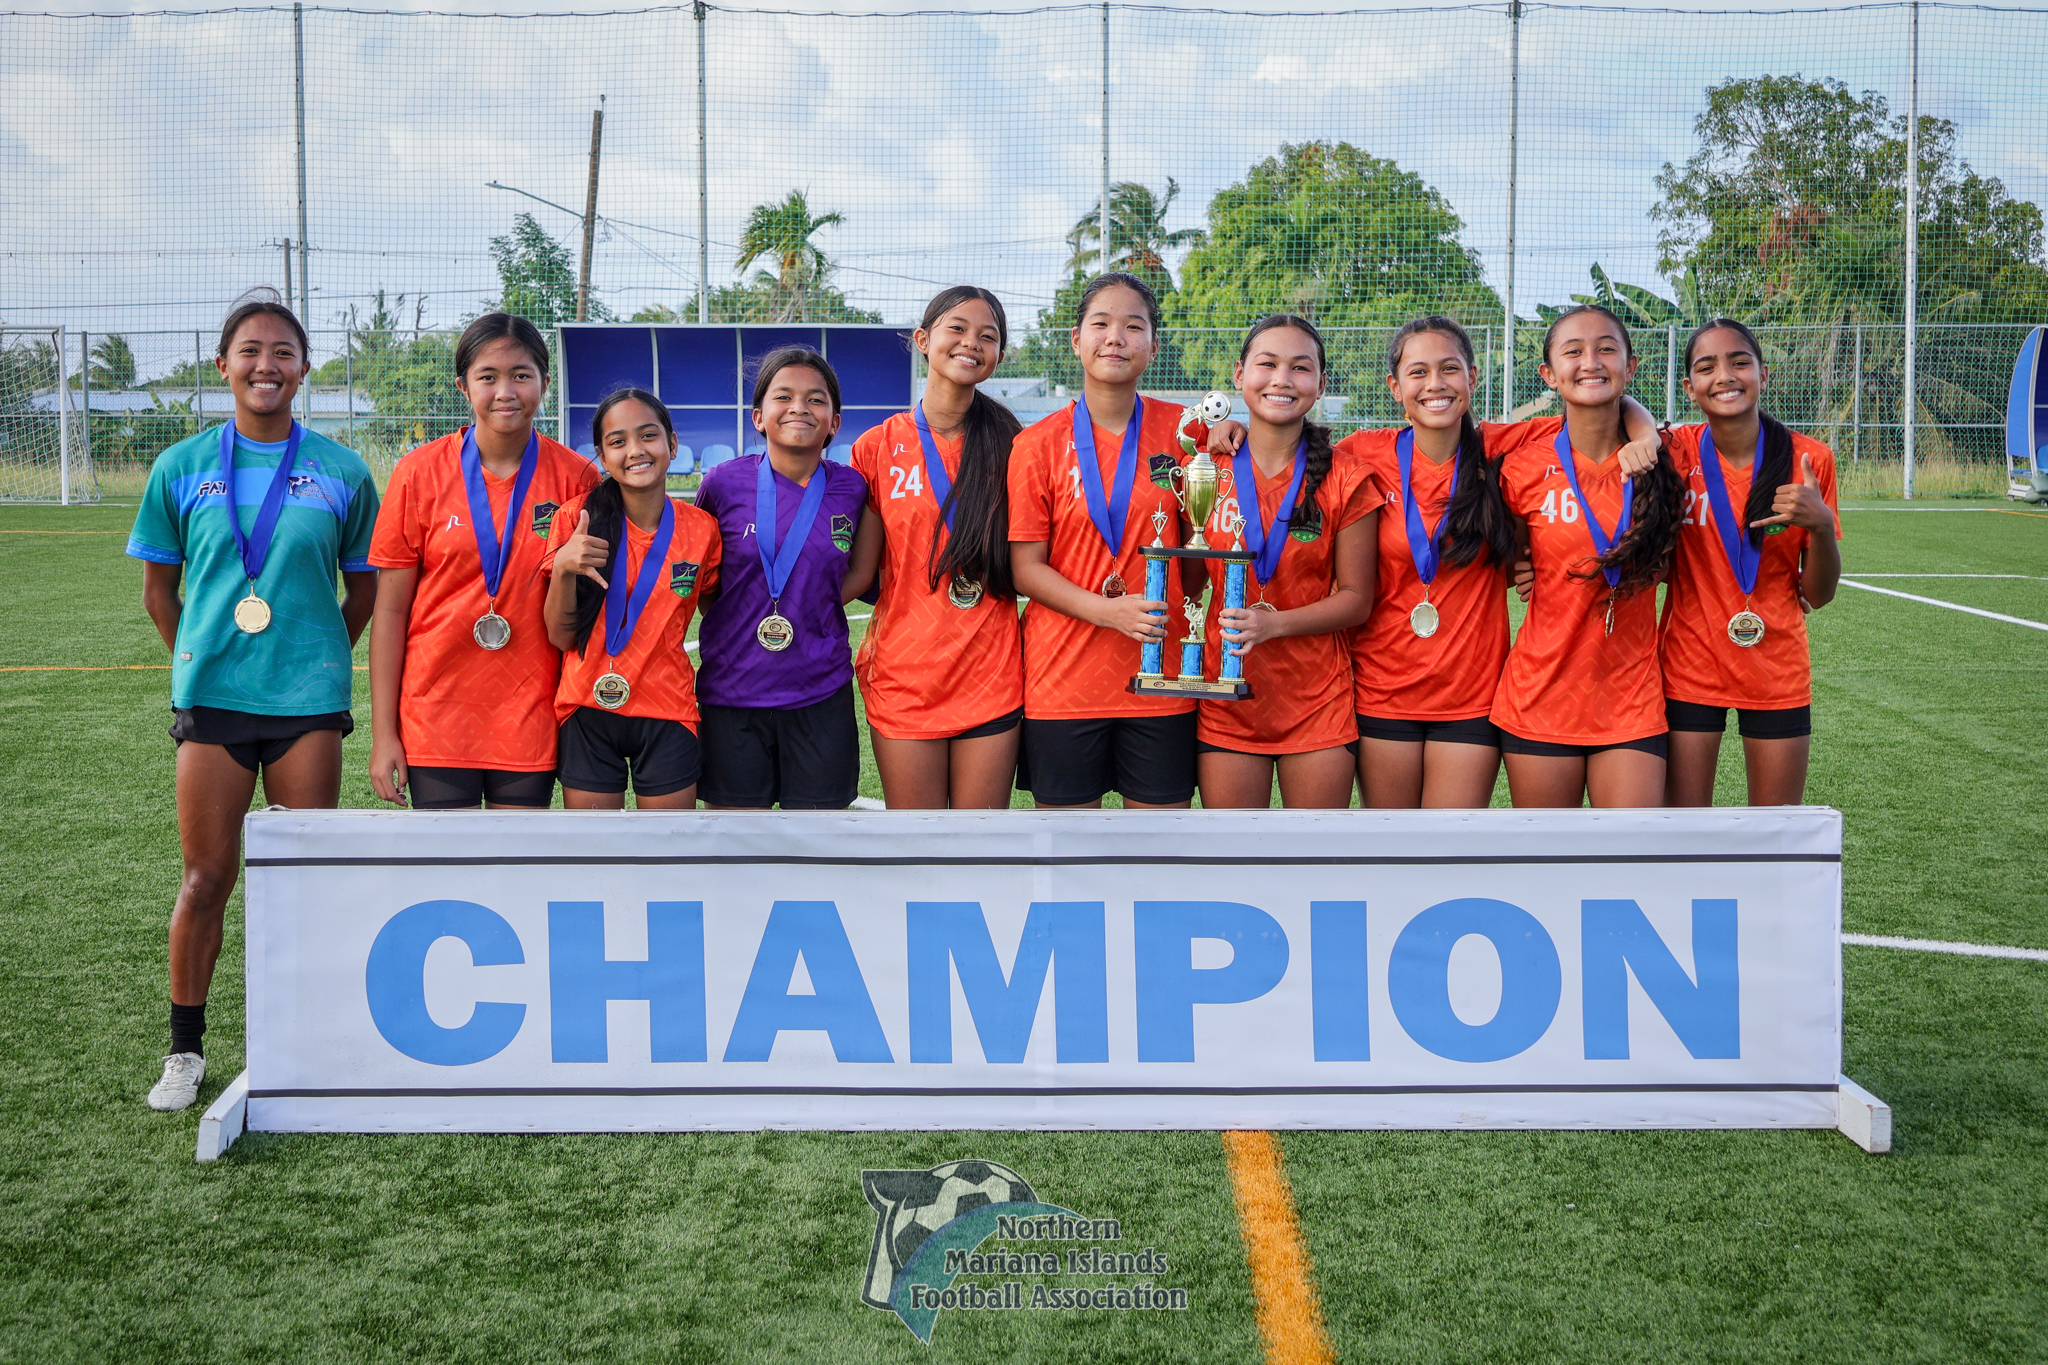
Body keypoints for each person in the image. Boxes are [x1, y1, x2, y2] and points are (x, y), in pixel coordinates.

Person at [126, 289, 378, 1110]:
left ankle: (317, 1041)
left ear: (304, 369)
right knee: (206, 876)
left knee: (309, 878)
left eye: (282, 352)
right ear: (223, 364)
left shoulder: (341, 470)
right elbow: (159, 591)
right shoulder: (183, 466)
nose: (266, 365)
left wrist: (315, 654)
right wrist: (203, 659)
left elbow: (364, 588)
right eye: (251, 351)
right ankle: (185, 1051)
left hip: (306, 703)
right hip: (215, 700)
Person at [366, 313, 598, 810]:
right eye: (487, 376)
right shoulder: (417, 474)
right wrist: (384, 733)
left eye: (521, 375)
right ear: (463, 386)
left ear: (545, 383)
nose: (505, 391)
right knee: (450, 874)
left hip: (530, 710)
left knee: (516, 875)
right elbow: (389, 612)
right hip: (436, 713)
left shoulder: (577, 479)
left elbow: (584, 611)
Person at [1007, 272, 1197, 809]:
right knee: (1067, 860)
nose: (1116, 337)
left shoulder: (1187, 433)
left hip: (1161, 677)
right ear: (1076, 339)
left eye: (1133, 327)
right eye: (1101, 324)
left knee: (1162, 858)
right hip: (1063, 682)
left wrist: (1233, 430)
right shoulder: (1035, 445)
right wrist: (1106, 612)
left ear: (1152, 347)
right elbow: (1026, 568)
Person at [1490, 304, 1684, 808]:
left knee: (1629, 861)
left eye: (1606, 349)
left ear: (1631, 365)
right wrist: (1524, 568)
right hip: (1539, 695)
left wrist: (1645, 434)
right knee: (1545, 869)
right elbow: (1511, 550)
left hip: (1631, 698)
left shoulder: (1665, 458)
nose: (1590, 361)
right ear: (1549, 375)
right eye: (1573, 351)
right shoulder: (1524, 462)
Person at [1190, 315, 1379, 808]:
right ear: (1239, 375)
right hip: (1227, 695)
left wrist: (1272, 626)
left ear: (1320, 384)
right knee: (1231, 865)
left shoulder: (1347, 476)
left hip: (1318, 704)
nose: (1281, 379)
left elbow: (1357, 600)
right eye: (1267, 364)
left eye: (1299, 368)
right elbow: (1187, 573)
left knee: (1316, 866)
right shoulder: (1207, 466)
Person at [849, 286, 1025, 808]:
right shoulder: (877, 446)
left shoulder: (1016, 444)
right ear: (924, 340)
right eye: (958, 328)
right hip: (905, 673)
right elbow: (861, 572)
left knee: (979, 850)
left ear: (997, 356)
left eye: (987, 336)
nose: (971, 342)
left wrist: (1210, 429)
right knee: (917, 849)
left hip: (990, 672)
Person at [1660, 318, 1842, 805]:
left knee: (1776, 833)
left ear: (1765, 375)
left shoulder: (1810, 459)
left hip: (1776, 665)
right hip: (1688, 665)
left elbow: (1818, 595)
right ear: (1689, 387)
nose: (1725, 375)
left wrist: (1820, 524)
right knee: (1683, 831)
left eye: (1739, 362)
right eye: (1707, 366)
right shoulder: (1672, 453)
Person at [693, 347, 878, 809]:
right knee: (735, 846)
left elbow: (862, 572)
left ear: (834, 422)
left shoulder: (852, 488)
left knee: (819, 846)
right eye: (784, 396)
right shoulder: (721, 483)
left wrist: (810, 601)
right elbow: (700, 573)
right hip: (732, 694)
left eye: (816, 399)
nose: (799, 407)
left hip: (820, 692)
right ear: (759, 416)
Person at [542, 389, 722, 808]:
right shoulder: (575, 519)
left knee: (667, 854)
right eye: (618, 442)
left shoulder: (702, 530)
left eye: (648, 436)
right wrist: (565, 567)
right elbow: (559, 636)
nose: (635, 451)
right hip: (586, 705)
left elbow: (716, 605)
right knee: (596, 858)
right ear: (602, 457)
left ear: (672, 445)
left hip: (668, 707)